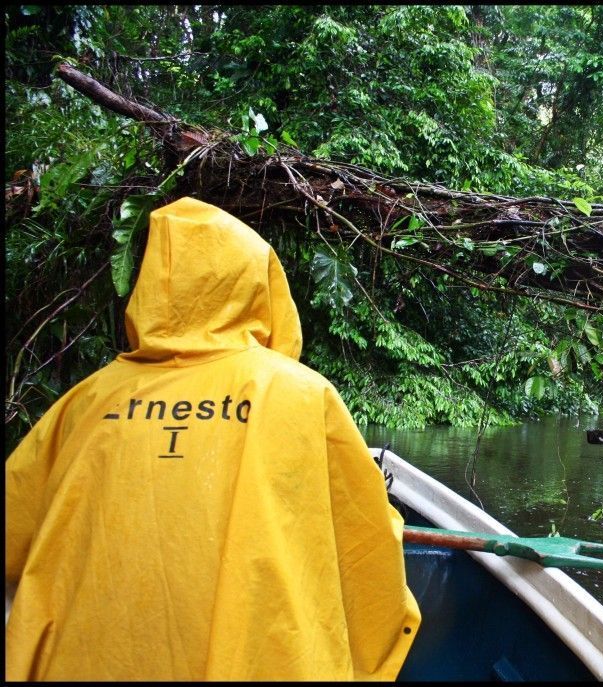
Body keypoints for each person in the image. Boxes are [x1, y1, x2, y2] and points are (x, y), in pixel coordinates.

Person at [5, 197, 420, 680]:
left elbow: (14, 536)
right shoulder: (303, 396)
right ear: (259, 288)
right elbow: (366, 550)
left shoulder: (84, 402)